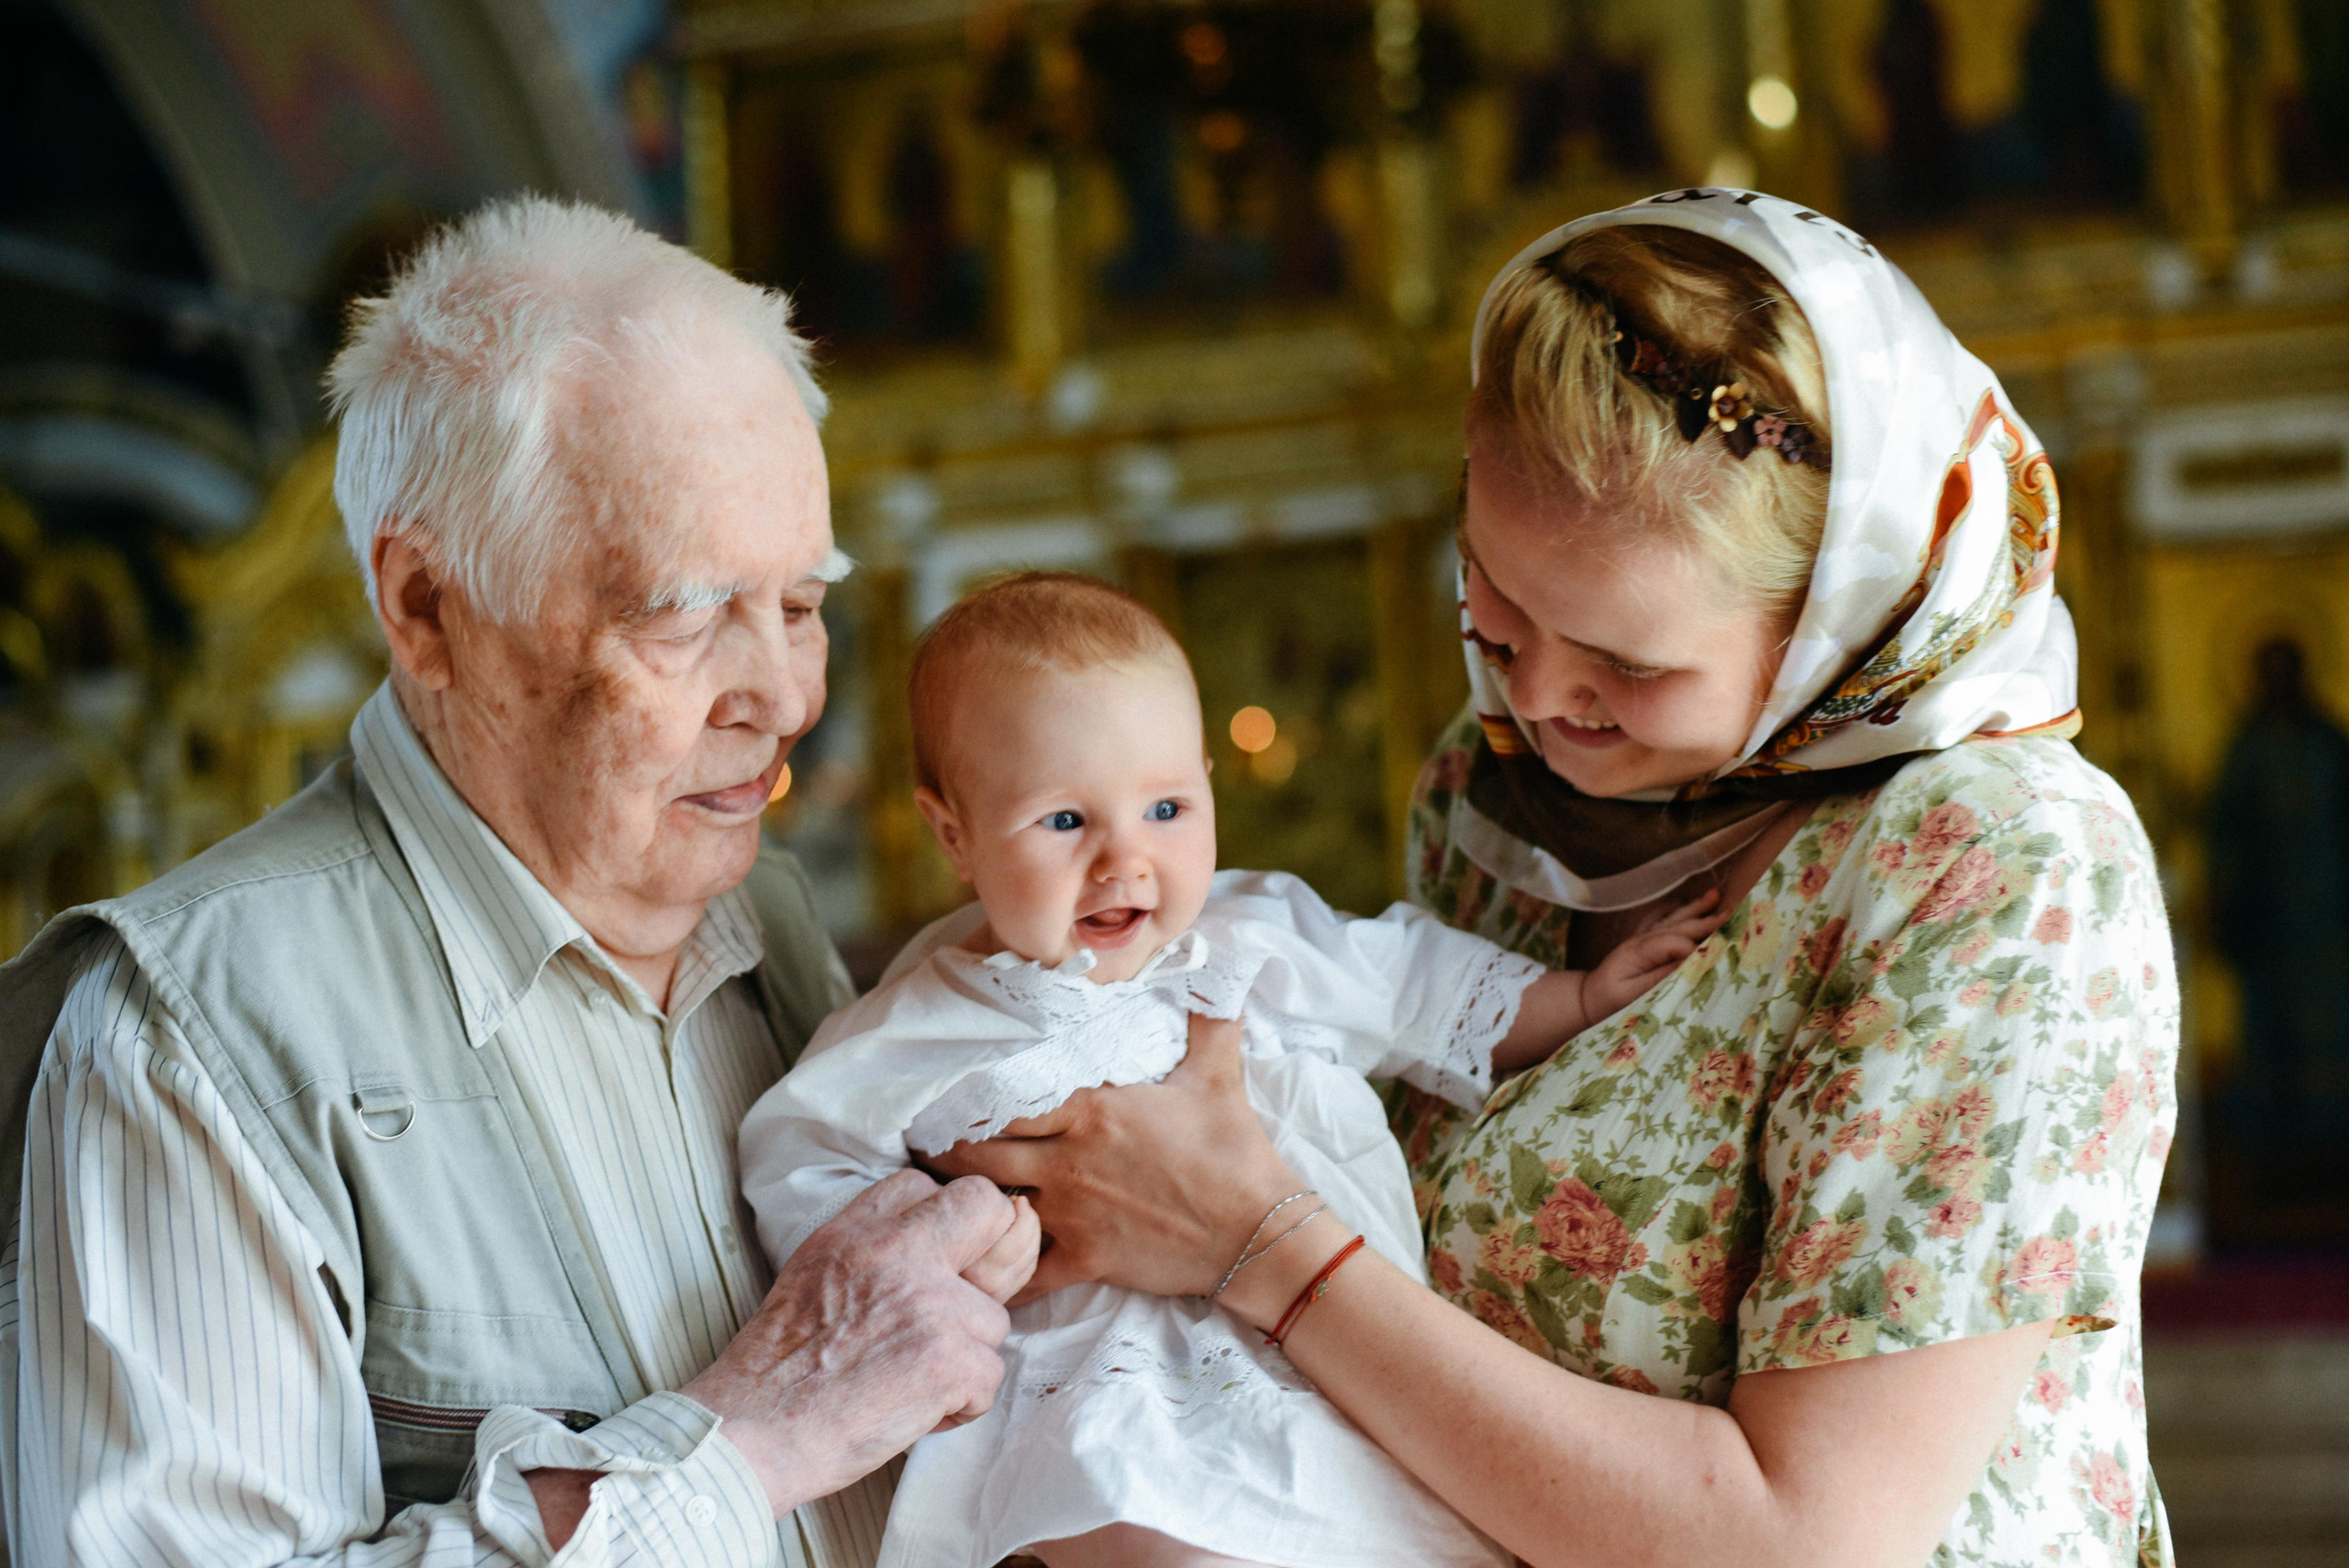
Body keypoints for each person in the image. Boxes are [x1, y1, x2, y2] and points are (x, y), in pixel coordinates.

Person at [934, 188, 2181, 1568]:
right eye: (1494, 608)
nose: (1540, 698)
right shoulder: (1493, 791)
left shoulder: (1992, 860)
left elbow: (1808, 1541)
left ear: (1842, 614)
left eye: (1629, 665)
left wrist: (1252, 1241)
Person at [0, 196, 1038, 1567]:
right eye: (682, 614)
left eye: (801, 604)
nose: (785, 697)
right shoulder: (185, 1039)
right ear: (428, 610)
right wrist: (748, 1447)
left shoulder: (772, 933)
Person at [736, 572, 1716, 1568]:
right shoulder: (924, 1023)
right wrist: (936, 1253)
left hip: (1318, 1358)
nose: (1127, 860)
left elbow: (1413, 983)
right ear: (955, 834)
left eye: (1165, 806)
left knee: (1361, 1519)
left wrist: (1580, 999)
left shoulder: (1253, 940)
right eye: (1065, 822)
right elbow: (801, 1148)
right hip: (1094, 1380)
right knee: (1132, 1516)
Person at [2204, 635, 2349, 1215]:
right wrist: (2223, 900)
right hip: (2266, 925)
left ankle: (2334, 1159)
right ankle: (2273, 1167)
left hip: (2331, 920)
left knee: (2333, 1031)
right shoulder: (2245, 749)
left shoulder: (2329, 743)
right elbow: (2225, 833)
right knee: (2268, 1037)